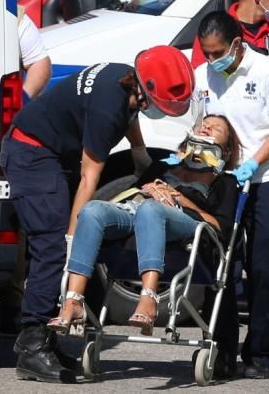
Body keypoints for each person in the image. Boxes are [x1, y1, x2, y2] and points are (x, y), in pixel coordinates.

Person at [0, 45, 194, 383]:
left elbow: (129, 114)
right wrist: (74, 238)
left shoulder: (124, 78)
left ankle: (47, 338)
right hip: (32, 153)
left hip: (50, 151)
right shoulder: (109, 108)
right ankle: (32, 344)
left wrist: (139, 153)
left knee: (55, 243)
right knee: (53, 246)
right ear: (143, 93)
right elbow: (90, 177)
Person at [47, 115, 241, 337]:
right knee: (92, 210)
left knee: (151, 210)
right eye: (203, 124)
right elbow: (134, 197)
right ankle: (74, 301)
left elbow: (220, 227)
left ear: (226, 150)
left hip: (185, 225)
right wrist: (150, 189)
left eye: (216, 128)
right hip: (137, 213)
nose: (206, 128)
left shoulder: (224, 182)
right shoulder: (162, 167)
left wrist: (179, 198)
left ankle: (149, 297)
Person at [195, 10, 269, 379]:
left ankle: (258, 352)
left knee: (263, 268)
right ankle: (220, 350)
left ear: (237, 44)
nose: (211, 60)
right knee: (220, 267)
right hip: (223, 181)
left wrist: (253, 163)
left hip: (266, 178)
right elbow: (198, 124)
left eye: (217, 52)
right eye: (205, 53)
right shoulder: (203, 75)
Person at [0, 13, 54, 335]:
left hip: (1, 125)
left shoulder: (12, 13)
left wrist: (19, 100)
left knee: (11, 210)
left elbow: (40, 63)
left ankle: (13, 302)